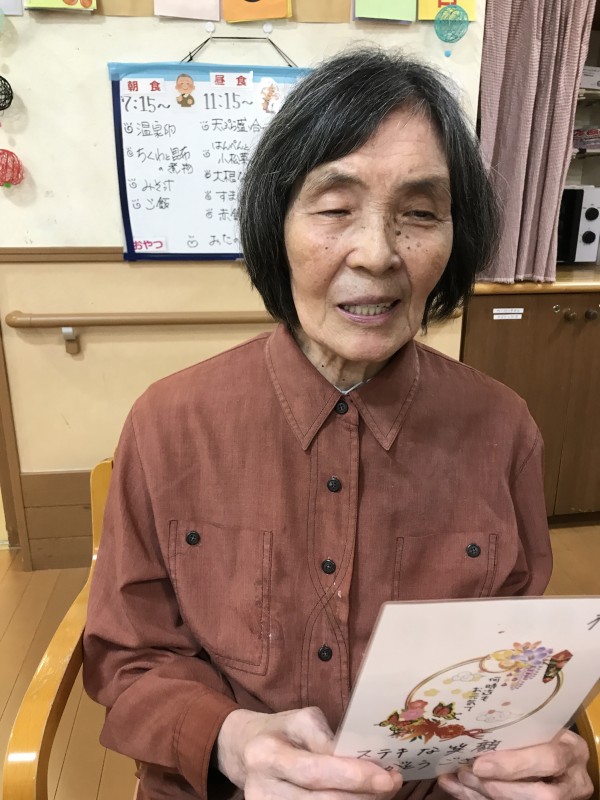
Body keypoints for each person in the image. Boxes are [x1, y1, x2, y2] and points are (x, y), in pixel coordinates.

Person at [83, 48, 593, 800]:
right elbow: (128, 659)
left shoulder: (503, 428)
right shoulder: (169, 423)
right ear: (277, 225)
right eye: (334, 208)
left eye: (420, 213)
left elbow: (518, 663)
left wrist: (547, 755)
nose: (378, 253)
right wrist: (232, 741)